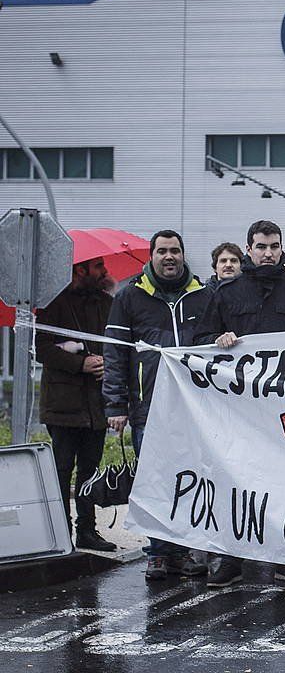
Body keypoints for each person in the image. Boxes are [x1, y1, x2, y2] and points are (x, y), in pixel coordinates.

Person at [195, 220, 285, 588]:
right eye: (261, 246)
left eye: (274, 246)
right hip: (238, 410)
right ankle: (231, 558)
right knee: (235, 481)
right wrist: (217, 339)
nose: (268, 253)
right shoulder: (227, 292)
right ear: (248, 249)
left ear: (282, 249)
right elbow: (200, 338)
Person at [103, 230, 213, 580]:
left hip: (196, 411)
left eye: (175, 251)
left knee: (193, 480)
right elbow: (115, 353)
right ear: (151, 256)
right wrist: (115, 405)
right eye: (162, 251)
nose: (169, 257)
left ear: (183, 254)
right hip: (147, 408)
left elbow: (214, 344)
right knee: (156, 482)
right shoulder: (129, 297)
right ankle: (159, 553)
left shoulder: (203, 295)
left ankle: (185, 551)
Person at [35, 256, 117, 553]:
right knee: (61, 470)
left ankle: (87, 530)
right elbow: (42, 348)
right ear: (80, 270)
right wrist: (80, 363)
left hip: (96, 404)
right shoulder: (54, 304)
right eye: (98, 267)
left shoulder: (107, 304)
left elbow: (118, 344)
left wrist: (107, 363)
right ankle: (60, 532)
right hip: (63, 404)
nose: (105, 271)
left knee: (90, 471)